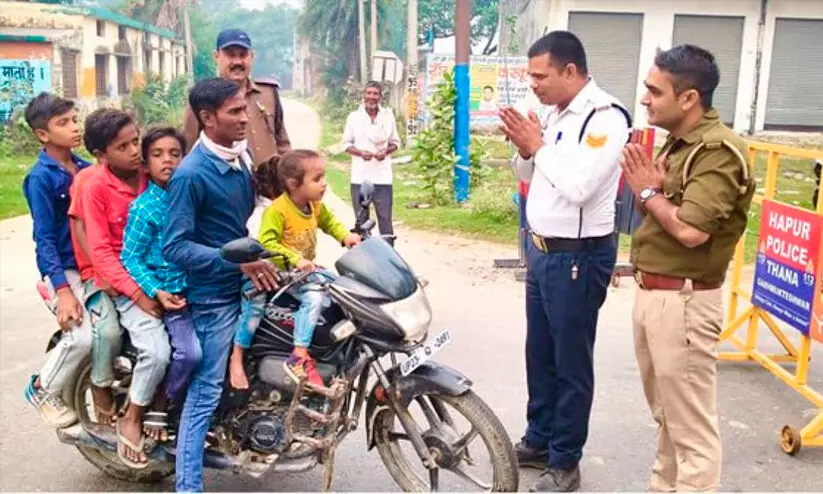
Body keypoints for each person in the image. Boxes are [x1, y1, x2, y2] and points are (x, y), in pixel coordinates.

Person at [499, 31, 631, 492]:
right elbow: (533, 175)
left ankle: (566, 459)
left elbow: (580, 187)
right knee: (540, 354)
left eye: (541, 75)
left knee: (570, 362)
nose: (533, 84)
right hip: (542, 253)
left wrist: (538, 145)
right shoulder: (556, 115)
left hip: (577, 258)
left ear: (570, 71)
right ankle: (540, 438)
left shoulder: (605, 118)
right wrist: (525, 149)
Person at [621, 44, 754, 492]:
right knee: (670, 421)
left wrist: (646, 193)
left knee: (691, 431)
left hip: (684, 301)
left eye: (654, 91)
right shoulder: (682, 144)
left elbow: (693, 232)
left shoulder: (717, 150)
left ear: (689, 98)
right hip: (657, 296)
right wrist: (656, 191)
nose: (645, 99)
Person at [163, 77, 279, 492]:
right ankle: (188, 486)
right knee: (206, 390)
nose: (245, 118)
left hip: (245, 281)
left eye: (245, 109)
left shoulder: (240, 158)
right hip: (213, 296)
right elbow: (174, 247)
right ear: (207, 118)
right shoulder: (191, 174)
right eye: (235, 112)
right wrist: (235, 261)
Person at [80, 108, 171, 469]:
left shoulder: (151, 174)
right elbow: (101, 250)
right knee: (158, 352)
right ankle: (132, 417)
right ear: (102, 155)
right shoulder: (95, 186)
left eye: (136, 141)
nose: (135, 151)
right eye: (124, 146)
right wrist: (138, 294)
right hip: (127, 283)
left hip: (167, 276)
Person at [228, 150, 361, 390]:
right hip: (271, 275)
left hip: (299, 275)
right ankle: (284, 355)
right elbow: (266, 243)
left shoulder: (314, 205)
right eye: (317, 178)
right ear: (293, 184)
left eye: (323, 177)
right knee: (259, 309)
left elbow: (329, 223)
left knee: (339, 285)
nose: (324, 183)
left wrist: (346, 237)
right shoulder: (277, 211)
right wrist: (295, 258)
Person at [21, 92, 98, 428]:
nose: (74, 128)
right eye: (63, 123)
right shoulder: (40, 178)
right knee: (83, 337)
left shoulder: (85, 167)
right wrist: (63, 289)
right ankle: (41, 387)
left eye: (75, 119)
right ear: (43, 134)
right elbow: (44, 239)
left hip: (93, 265)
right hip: (66, 271)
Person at [121, 127, 201, 442]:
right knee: (189, 354)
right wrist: (156, 290)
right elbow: (131, 257)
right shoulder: (145, 208)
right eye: (157, 155)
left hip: (196, 290)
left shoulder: (192, 198)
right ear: (145, 165)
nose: (167, 161)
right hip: (169, 296)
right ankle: (158, 403)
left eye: (175, 154)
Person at [182, 28, 290, 167]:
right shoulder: (203, 98)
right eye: (230, 55)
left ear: (252, 56)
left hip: (270, 184)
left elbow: (282, 143)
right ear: (216, 56)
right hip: (227, 185)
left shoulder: (268, 93)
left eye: (243, 55)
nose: (237, 62)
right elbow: (188, 148)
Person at [342, 81, 401, 239]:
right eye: (369, 93)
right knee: (362, 222)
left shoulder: (388, 116)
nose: (372, 97)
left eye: (375, 94)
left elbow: (395, 143)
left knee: (385, 221)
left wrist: (385, 151)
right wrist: (361, 153)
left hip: (382, 178)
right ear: (364, 96)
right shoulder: (354, 117)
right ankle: (364, 259)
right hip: (360, 178)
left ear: (380, 97)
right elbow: (346, 145)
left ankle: (388, 256)